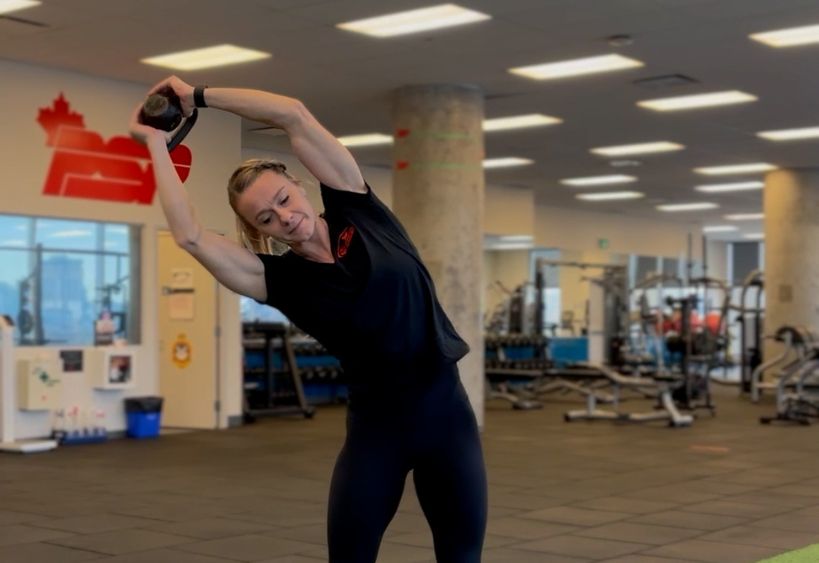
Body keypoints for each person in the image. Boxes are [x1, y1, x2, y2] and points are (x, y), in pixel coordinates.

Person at [129, 76, 487, 563]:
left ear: (298, 186)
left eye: (282, 199)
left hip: (446, 416)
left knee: (462, 557)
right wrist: (155, 145)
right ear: (258, 230)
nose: (284, 216)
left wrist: (198, 96)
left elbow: (293, 113)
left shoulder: (358, 209)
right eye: (266, 219)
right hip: (376, 431)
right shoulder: (279, 281)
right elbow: (190, 236)